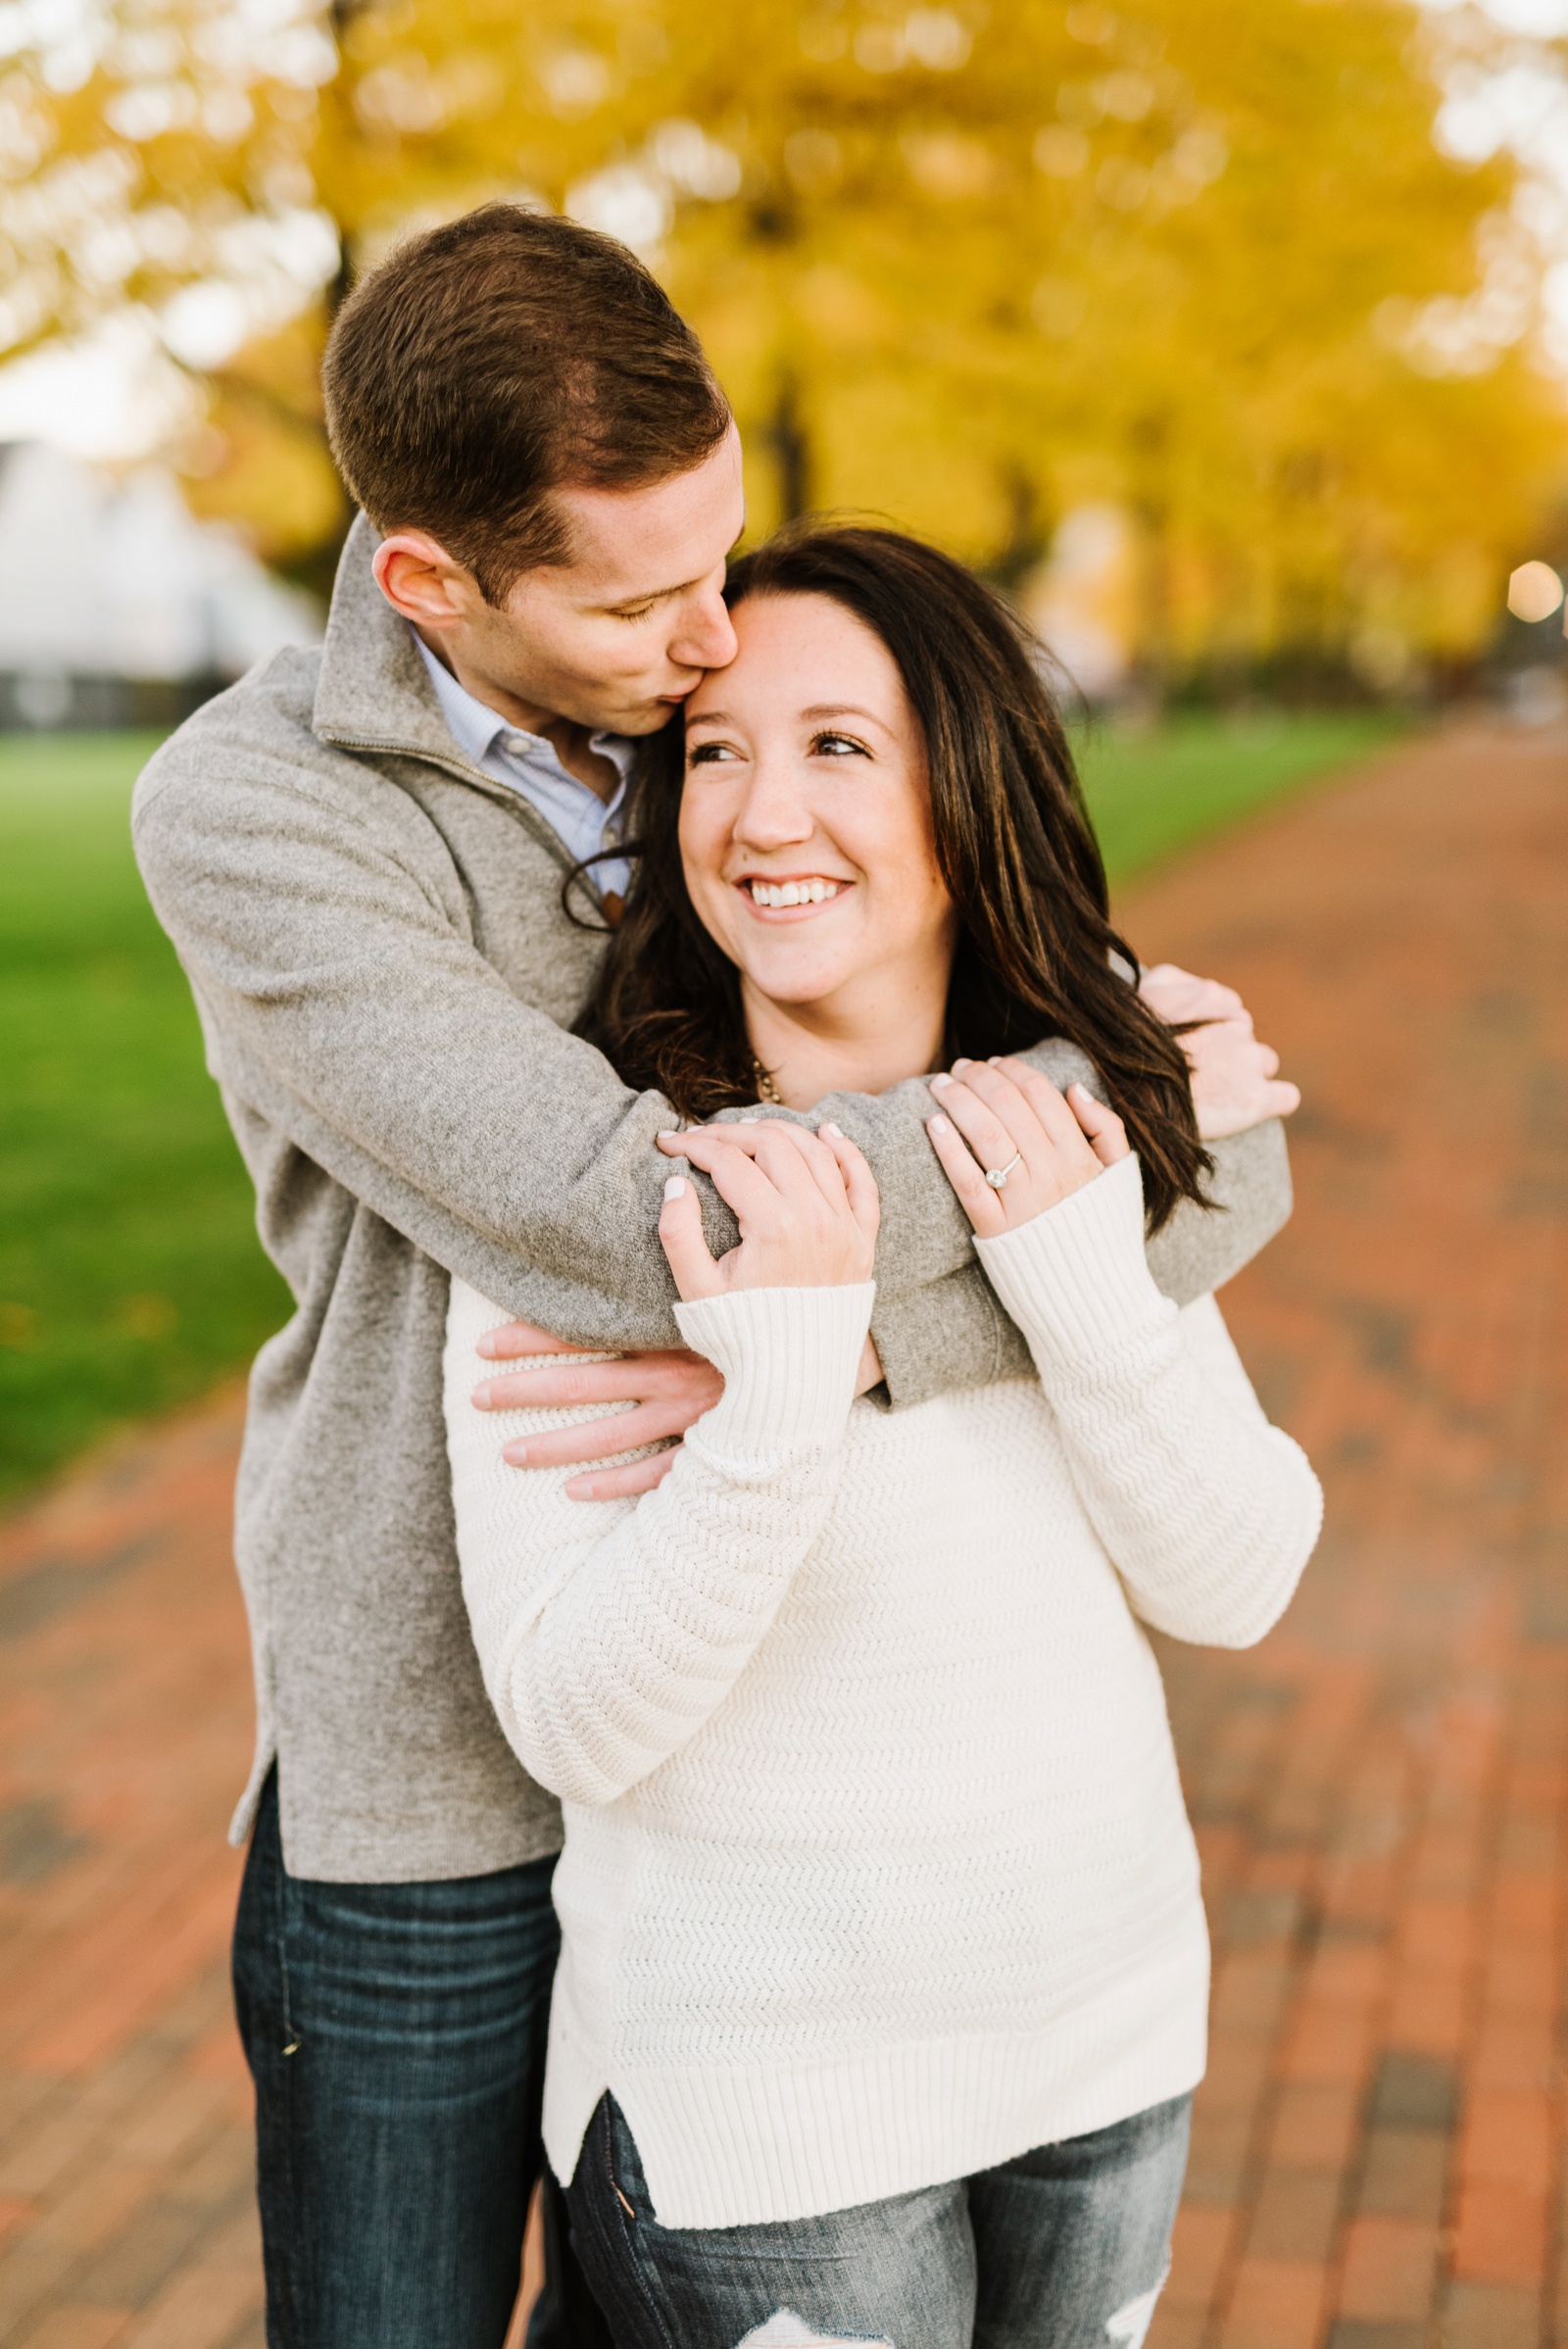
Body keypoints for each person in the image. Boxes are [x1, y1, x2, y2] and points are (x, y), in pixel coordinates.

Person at [132, 205, 1298, 2349]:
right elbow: (617, 1216)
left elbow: (1210, 1200)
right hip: (430, 1756)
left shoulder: (713, 717)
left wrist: (849, 1339)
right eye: (645, 596)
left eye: (724, 550)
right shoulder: (260, 809)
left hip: (766, 1788)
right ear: (429, 583)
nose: (711, 637)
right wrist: (1097, 1105)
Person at [444, 527, 1323, 2349]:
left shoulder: (1060, 1148)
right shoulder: (604, 1194)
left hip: (1107, 2038)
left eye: (841, 744)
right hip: (770, 2113)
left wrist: (1076, 1285)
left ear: (968, 787)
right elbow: (576, 1717)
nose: (764, 812)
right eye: (717, 747)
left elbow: (1238, 1576)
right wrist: (774, 1388)